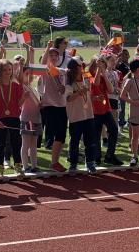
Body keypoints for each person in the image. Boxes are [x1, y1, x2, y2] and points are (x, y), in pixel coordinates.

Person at [0, 58, 24, 177]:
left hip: (14, 118)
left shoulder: (16, 86)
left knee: (15, 143)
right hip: (0, 119)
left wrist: (25, 97)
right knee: (0, 144)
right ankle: (0, 169)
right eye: (5, 70)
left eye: (10, 69)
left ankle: (18, 167)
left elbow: (19, 103)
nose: (8, 72)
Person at [39, 40, 69, 172]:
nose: (53, 57)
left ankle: (54, 162)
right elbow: (42, 63)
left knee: (61, 136)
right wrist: (48, 47)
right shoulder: (46, 70)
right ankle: (53, 162)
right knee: (56, 134)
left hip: (62, 106)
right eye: (51, 55)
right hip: (50, 106)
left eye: (55, 55)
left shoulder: (62, 70)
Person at [64, 57, 98, 173]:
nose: (83, 67)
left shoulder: (86, 78)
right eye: (80, 66)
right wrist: (79, 93)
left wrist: (95, 97)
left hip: (88, 115)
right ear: (75, 68)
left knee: (90, 141)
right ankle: (73, 164)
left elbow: (88, 94)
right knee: (75, 142)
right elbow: (68, 99)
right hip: (75, 116)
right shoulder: (69, 83)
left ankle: (90, 163)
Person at [88, 55, 122, 166]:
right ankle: (97, 157)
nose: (101, 66)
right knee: (96, 135)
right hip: (94, 111)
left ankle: (109, 156)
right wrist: (99, 70)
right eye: (99, 64)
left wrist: (104, 73)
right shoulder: (88, 76)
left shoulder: (103, 76)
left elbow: (111, 89)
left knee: (113, 130)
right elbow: (96, 83)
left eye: (103, 63)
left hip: (105, 109)